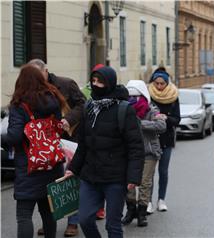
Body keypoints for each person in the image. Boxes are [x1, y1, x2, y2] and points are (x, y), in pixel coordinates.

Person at [63, 66, 145, 238]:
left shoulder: (124, 109)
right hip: (90, 176)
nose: (95, 85)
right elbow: (83, 143)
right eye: (93, 81)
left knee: (112, 225)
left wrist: (133, 177)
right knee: (84, 219)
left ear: (110, 83)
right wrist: (73, 167)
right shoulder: (89, 107)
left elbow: (136, 147)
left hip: (115, 178)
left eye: (100, 81)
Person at [1, 64, 67, 238]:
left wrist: (3, 139)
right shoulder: (53, 98)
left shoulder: (19, 105)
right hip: (52, 163)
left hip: (29, 167)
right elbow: (58, 127)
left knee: (24, 215)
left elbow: (14, 137)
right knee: (47, 211)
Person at [28, 59, 86, 237]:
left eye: (39, 75)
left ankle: (73, 223)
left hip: (69, 139)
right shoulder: (31, 89)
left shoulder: (66, 84)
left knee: (70, 180)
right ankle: (49, 222)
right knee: (48, 184)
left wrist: (68, 119)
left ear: (46, 71)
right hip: (46, 144)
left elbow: (83, 104)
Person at [122, 80, 166, 227]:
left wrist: (140, 124)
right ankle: (130, 210)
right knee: (129, 183)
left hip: (149, 152)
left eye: (136, 96)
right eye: (130, 96)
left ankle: (142, 213)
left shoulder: (151, 110)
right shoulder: (124, 109)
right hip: (129, 152)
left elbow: (161, 125)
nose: (133, 100)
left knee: (145, 183)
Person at [147, 67, 180, 213]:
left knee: (163, 171)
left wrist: (166, 118)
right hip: (151, 138)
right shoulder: (148, 95)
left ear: (167, 83)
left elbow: (177, 119)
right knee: (149, 172)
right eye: (156, 83)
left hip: (166, 138)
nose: (159, 86)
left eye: (162, 84)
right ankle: (147, 201)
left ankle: (161, 199)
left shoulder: (173, 96)